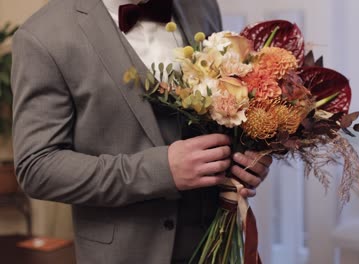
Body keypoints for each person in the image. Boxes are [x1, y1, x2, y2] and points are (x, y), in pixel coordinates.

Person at [11, 0, 272, 263]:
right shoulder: (42, 35)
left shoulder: (203, 6)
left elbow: (222, 106)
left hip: (216, 248)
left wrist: (245, 157)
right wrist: (159, 171)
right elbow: (37, 167)